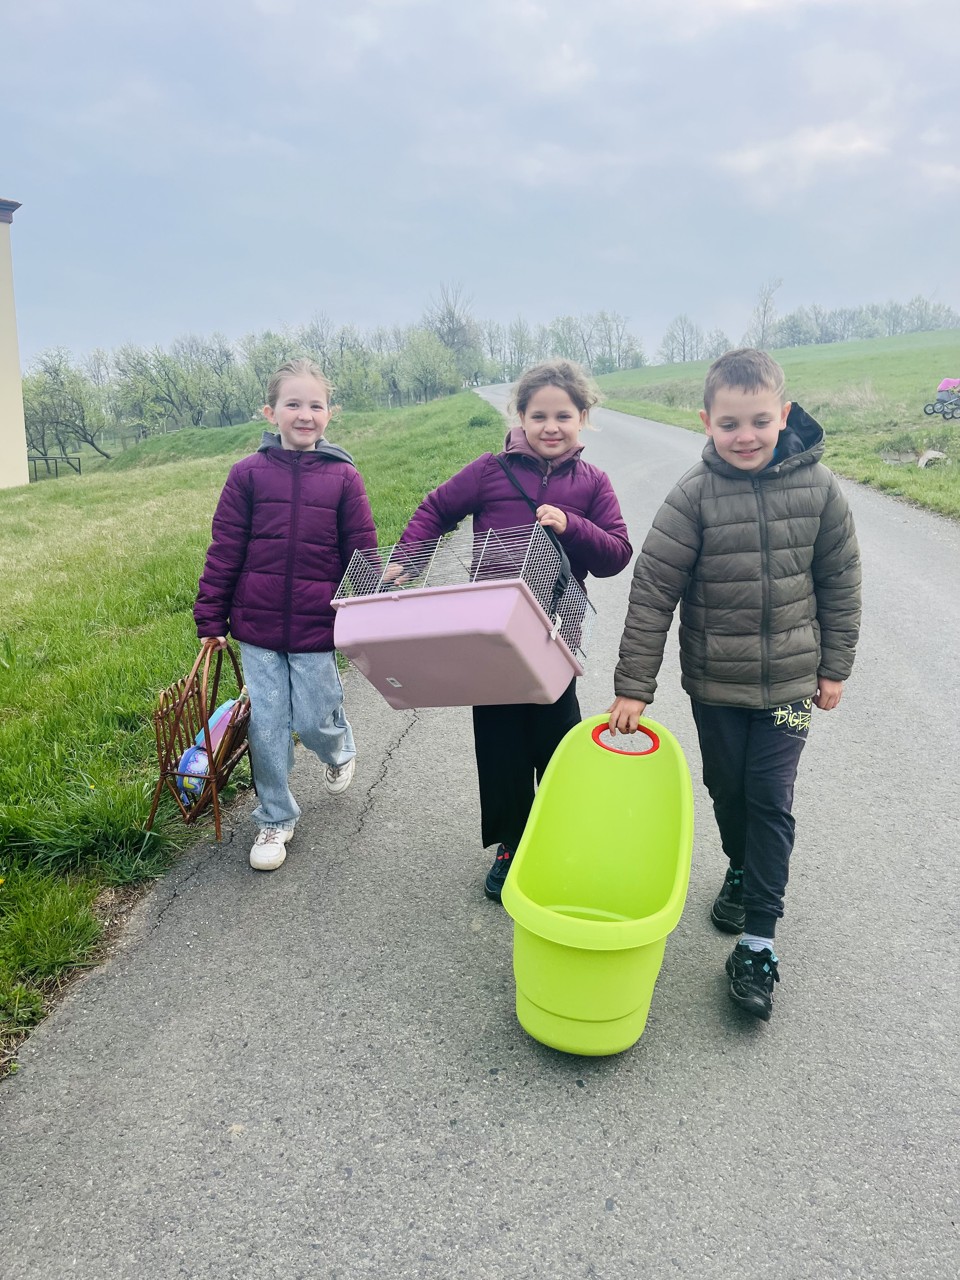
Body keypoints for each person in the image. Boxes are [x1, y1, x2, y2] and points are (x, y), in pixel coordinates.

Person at [608, 349, 861, 1021]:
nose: (745, 436)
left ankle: (758, 942)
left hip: (791, 689)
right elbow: (653, 591)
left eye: (758, 421)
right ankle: (741, 867)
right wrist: (634, 685)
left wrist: (834, 666)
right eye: (729, 424)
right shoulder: (693, 496)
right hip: (716, 687)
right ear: (706, 422)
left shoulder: (821, 490)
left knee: (770, 796)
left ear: (784, 414)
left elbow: (840, 581)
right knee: (727, 787)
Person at [392, 359, 632, 901]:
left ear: (583, 417)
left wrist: (573, 525)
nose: (551, 426)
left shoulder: (593, 483)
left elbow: (617, 553)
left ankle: (560, 834)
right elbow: (436, 509)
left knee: (558, 739)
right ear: (519, 416)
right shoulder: (489, 471)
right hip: (491, 635)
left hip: (555, 633)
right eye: (538, 415)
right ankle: (512, 843)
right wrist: (408, 558)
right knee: (499, 743)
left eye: (563, 416)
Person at [195, 358, 376, 872]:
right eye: (292, 404)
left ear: (330, 413)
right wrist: (211, 618)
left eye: (315, 405)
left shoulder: (344, 477)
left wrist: (369, 609)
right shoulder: (247, 475)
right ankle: (275, 817)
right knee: (268, 723)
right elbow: (225, 548)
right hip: (256, 626)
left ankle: (338, 748)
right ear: (270, 412)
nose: (304, 414)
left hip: (317, 626)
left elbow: (360, 551)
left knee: (315, 716)